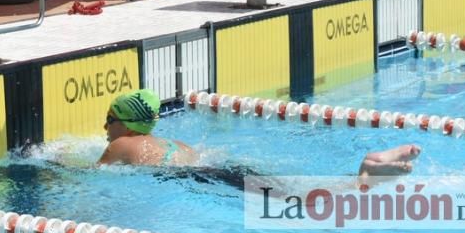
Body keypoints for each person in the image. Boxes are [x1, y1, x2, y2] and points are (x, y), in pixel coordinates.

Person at [99, 90, 422, 181]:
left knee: (299, 203)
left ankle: (364, 176)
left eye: (109, 120)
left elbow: (93, 173)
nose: (105, 127)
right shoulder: (173, 143)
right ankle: (363, 175)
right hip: (222, 169)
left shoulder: (121, 144)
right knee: (292, 193)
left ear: (126, 123)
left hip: (207, 178)